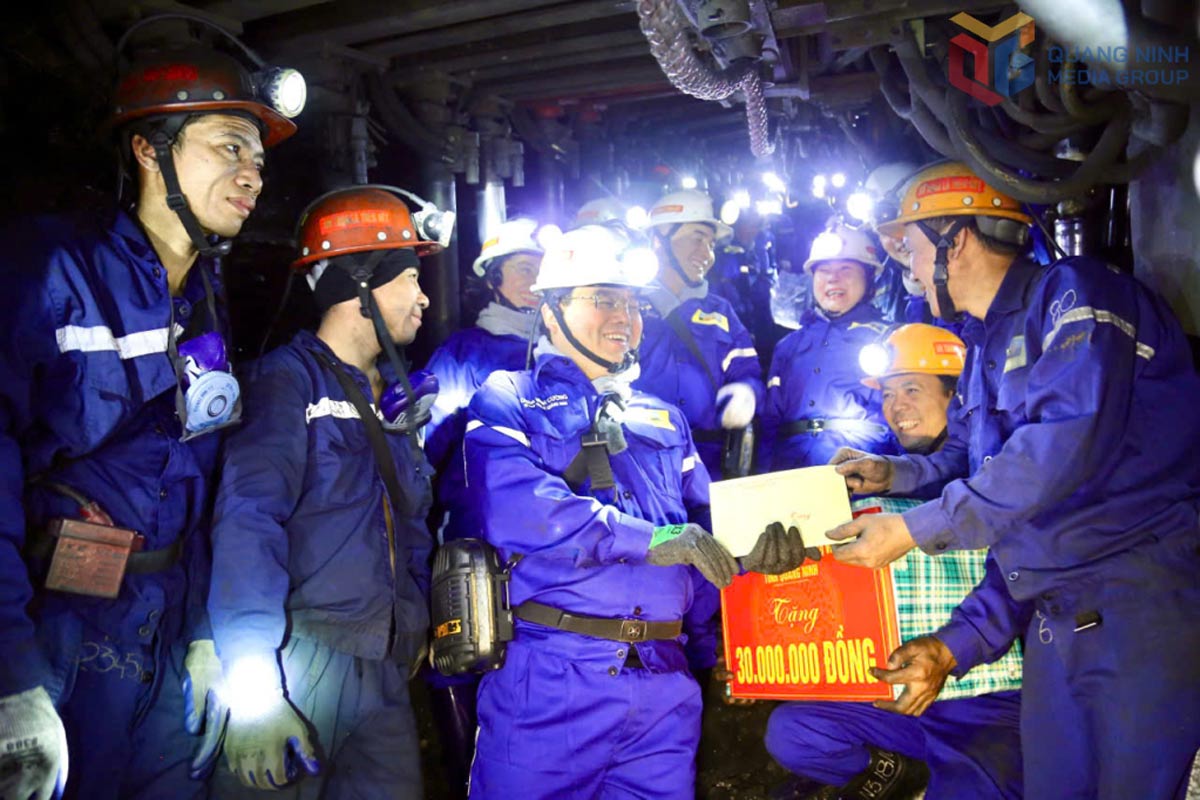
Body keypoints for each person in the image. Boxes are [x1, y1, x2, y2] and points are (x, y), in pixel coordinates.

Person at [827, 161, 1200, 800]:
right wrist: (950, 648)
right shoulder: (986, 349)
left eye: (909, 244)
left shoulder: (1078, 294)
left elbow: (1057, 451)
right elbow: (998, 489)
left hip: (1138, 609)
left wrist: (915, 530)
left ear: (957, 239)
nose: (906, 265)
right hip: (1056, 622)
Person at [0, 25, 301, 800]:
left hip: (163, 633)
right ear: (149, 151)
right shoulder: (50, 268)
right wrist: (10, 677)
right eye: (229, 146)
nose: (252, 175)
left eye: (259, 159)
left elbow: (200, 474)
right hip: (56, 625)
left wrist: (204, 631)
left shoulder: (204, 302)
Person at [463, 225, 808, 798]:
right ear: (552, 312)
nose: (625, 316)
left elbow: (706, 527)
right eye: (604, 298)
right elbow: (515, 506)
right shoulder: (509, 396)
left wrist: (756, 552)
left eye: (633, 302)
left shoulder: (665, 418)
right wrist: (650, 539)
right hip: (554, 679)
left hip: (664, 687)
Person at [205, 186, 442, 796]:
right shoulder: (287, 384)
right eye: (408, 278)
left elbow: (412, 522)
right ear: (357, 288)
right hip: (302, 660)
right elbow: (249, 524)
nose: (423, 297)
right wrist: (255, 691)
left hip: (384, 669)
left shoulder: (396, 399)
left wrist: (412, 623)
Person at [765, 324, 1024, 800]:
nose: (895, 405)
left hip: (985, 698)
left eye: (911, 388)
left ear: (959, 395)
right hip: (904, 692)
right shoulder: (883, 474)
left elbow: (1018, 579)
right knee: (792, 732)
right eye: (887, 393)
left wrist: (950, 650)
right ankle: (903, 772)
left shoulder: (1003, 470)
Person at [422, 217, 544, 797]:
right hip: (477, 529)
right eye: (523, 269)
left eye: (543, 269)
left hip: (545, 533)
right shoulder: (464, 352)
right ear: (494, 280)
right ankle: (466, 777)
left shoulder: (560, 350)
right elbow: (428, 440)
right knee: (468, 647)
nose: (535, 279)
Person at [635, 189, 764, 479]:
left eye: (711, 243)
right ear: (659, 240)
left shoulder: (721, 312)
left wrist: (747, 392)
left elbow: (748, 373)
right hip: (642, 463)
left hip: (708, 466)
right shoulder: (626, 307)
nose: (706, 254)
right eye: (696, 238)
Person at [759, 223, 898, 471]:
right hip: (792, 472)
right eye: (823, 270)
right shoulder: (788, 346)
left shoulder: (892, 339)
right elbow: (770, 423)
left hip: (861, 474)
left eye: (846, 269)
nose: (833, 278)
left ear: (869, 277)